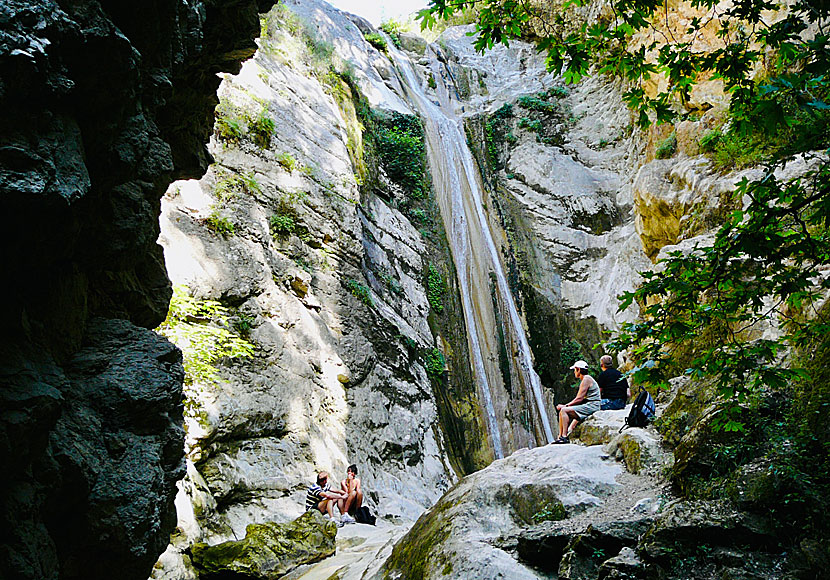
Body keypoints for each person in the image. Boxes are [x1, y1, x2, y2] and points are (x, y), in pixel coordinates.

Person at [553, 360, 601, 444]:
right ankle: (560, 436)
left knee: (564, 410)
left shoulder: (586, 379)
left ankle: (564, 437)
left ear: (578, 369)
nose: (574, 372)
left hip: (593, 405)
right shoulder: (586, 379)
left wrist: (566, 406)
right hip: (591, 405)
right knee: (563, 411)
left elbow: (579, 399)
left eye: (575, 370)